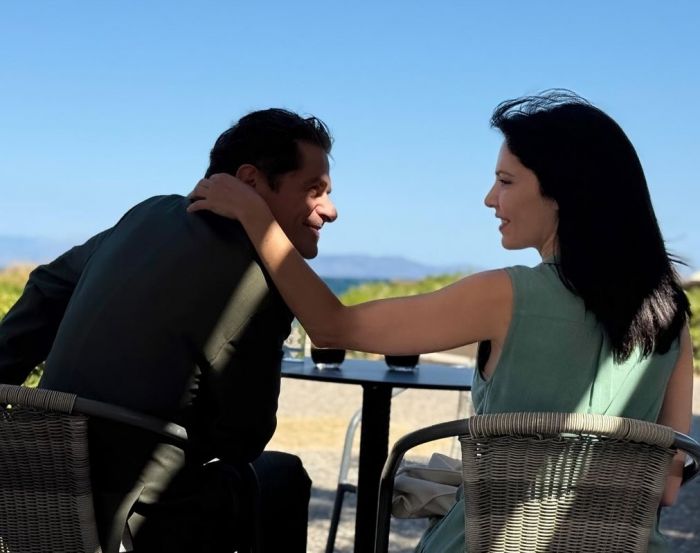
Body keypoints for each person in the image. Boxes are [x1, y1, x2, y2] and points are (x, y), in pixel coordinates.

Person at [186, 90, 692, 552]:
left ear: (564, 190)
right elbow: (667, 485)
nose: (490, 198)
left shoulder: (504, 295)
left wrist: (257, 217)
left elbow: (332, 327)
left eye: (505, 181)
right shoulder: (670, 313)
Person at [0, 108, 338, 553]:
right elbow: (243, 440)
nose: (330, 210)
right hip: (141, 517)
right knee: (284, 476)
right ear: (250, 182)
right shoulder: (262, 281)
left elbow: (47, 285)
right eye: (313, 190)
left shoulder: (148, 214)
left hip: (39, 489)